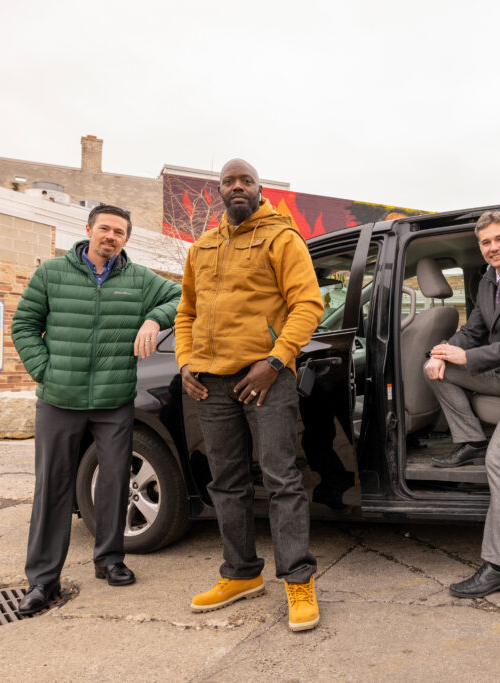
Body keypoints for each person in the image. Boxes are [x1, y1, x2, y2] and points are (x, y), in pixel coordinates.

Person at [174, 158, 325, 631]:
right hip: (210, 383)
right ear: (218, 191)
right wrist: (184, 362)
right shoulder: (202, 247)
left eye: (246, 181)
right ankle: (240, 573)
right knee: (226, 482)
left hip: (267, 379)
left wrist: (275, 361)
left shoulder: (282, 238)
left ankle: (298, 579)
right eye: (229, 181)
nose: (237, 186)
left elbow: (308, 305)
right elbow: (185, 312)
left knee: (282, 480)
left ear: (260, 190)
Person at [11, 204, 181, 616]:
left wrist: (154, 319)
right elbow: (24, 325)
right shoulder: (52, 273)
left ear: (126, 239)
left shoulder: (140, 279)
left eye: (119, 232)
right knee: (52, 487)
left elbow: (181, 296)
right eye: (104, 228)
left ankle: (109, 560)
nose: (110, 236)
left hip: (114, 400)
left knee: (114, 482)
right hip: (58, 400)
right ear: (88, 229)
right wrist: (46, 372)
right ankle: (42, 579)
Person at [424, 210, 500, 598]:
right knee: (433, 370)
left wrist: (469, 357)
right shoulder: (486, 281)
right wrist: (440, 352)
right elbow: (473, 330)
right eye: (485, 242)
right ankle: (471, 439)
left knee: (499, 461)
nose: (493, 247)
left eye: (499, 239)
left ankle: (499, 567)